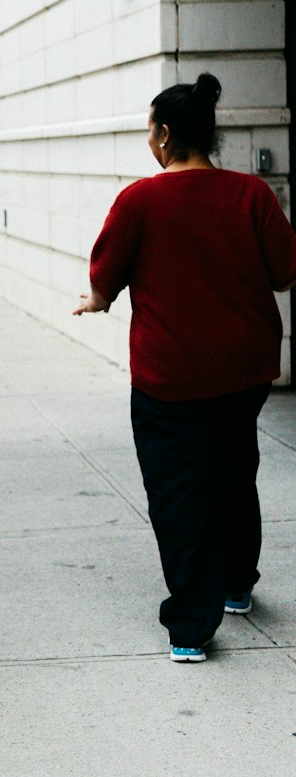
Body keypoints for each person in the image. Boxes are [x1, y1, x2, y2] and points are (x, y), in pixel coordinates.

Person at [75, 73, 296, 662]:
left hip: (169, 376)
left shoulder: (140, 199)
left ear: (166, 135)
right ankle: (236, 583)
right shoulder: (251, 195)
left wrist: (98, 299)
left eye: (151, 131)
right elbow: (284, 272)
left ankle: (191, 626)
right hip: (244, 370)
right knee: (233, 470)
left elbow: (105, 275)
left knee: (179, 492)